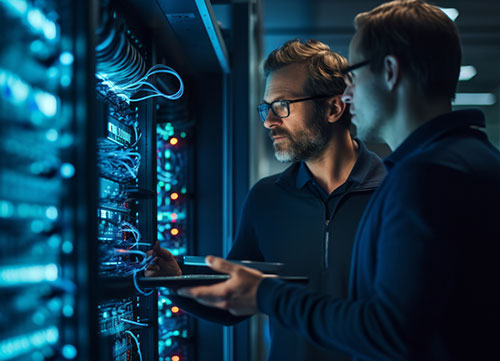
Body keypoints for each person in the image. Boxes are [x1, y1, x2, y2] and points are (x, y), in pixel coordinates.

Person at [177, 1, 500, 360]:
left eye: (355, 75)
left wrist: (268, 295)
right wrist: (172, 281)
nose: (349, 94)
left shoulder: (422, 178)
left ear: (390, 71)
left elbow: (391, 331)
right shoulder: (471, 160)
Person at [146, 39, 386, 361]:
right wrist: (176, 282)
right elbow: (234, 302)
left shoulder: (393, 193)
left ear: (333, 107)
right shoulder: (267, 198)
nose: (269, 121)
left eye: (282, 105)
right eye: (266, 107)